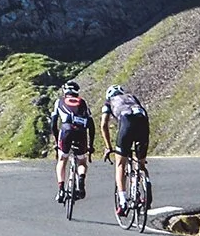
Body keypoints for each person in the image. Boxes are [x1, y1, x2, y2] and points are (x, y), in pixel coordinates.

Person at [102, 84, 150, 216]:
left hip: (126, 123)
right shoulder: (131, 97)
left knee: (120, 164)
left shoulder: (109, 102)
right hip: (143, 122)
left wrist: (108, 147)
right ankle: (140, 188)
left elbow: (103, 125)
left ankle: (123, 202)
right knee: (140, 163)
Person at [49, 80, 95, 203]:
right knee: (82, 161)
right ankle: (81, 179)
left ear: (65, 91)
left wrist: (56, 139)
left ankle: (61, 189)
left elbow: (53, 123)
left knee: (62, 159)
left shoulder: (59, 101)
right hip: (81, 132)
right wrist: (91, 145)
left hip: (66, 130)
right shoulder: (83, 102)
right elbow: (91, 124)